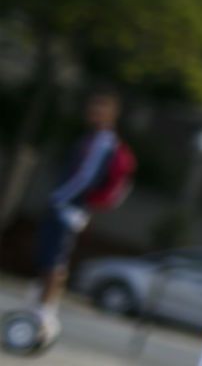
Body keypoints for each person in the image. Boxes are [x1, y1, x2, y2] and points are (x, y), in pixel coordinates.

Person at [27, 89, 124, 341]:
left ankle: (44, 312)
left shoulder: (103, 141)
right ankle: (41, 307)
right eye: (91, 108)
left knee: (54, 262)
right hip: (69, 206)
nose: (92, 113)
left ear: (111, 113)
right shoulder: (92, 137)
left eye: (99, 108)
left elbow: (86, 177)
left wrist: (60, 197)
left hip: (68, 208)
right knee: (51, 258)